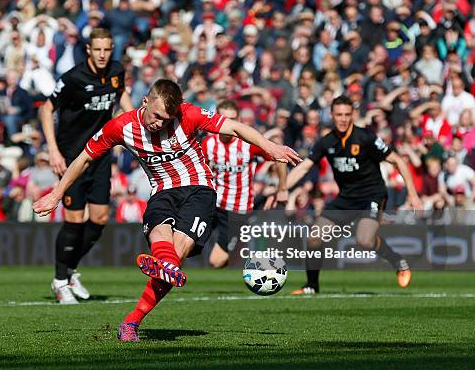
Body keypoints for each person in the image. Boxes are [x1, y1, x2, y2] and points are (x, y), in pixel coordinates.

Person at [33, 79, 301, 341]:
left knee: (179, 250)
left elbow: (235, 127)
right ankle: (166, 269)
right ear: (145, 101)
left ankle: (133, 320)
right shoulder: (121, 126)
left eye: (166, 119)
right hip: (162, 191)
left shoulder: (188, 114)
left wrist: (270, 147)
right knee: (163, 243)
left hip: (199, 188)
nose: (159, 123)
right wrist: (57, 193)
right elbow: (85, 158)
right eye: (157, 116)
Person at [286, 95, 422, 295]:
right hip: (346, 198)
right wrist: (282, 188)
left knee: (364, 240)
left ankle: (396, 260)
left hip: (371, 194)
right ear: (331, 115)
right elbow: (304, 167)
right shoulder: (326, 141)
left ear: (353, 115)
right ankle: (311, 286)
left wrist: (413, 195)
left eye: (347, 115)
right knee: (314, 237)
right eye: (339, 114)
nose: (342, 119)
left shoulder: (365, 137)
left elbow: (398, 161)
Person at [39, 28, 133, 304]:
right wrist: (53, 150)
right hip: (72, 157)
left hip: (100, 154)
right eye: (98, 50)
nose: (103, 55)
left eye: (107, 50)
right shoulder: (73, 78)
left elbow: (121, 96)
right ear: (89, 50)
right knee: (75, 220)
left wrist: (133, 118)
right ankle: (59, 281)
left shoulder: (116, 71)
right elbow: (46, 109)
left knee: (101, 218)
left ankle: (69, 271)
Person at [201, 100, 288, 268]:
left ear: (239, 120)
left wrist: (282, 188)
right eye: (223, 118)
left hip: (238, 209)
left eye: (232, 119)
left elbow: (279, 156)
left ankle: (240, 249)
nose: (227, 124)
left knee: (216, 261)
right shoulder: (208, 143)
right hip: (212, 204)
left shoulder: (248, 143)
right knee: (187, 244)